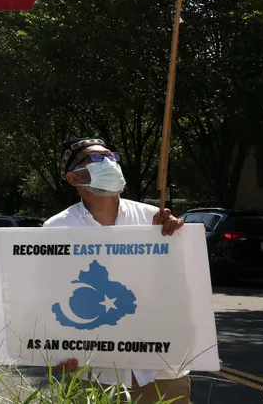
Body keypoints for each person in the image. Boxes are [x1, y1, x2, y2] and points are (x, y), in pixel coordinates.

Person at [47, 138, 187, 403]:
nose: (110, 163)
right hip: (95, 373)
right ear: (75, 178)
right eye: (98, 159)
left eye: (112, 156)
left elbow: (180, 278)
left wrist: (178, 237)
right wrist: (56, 351)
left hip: (161, 369)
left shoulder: (155, 219)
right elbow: (48, 294)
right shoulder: (56, 229)